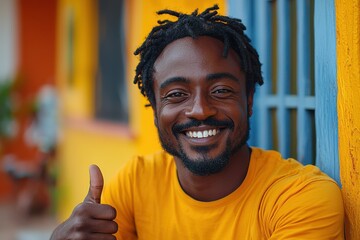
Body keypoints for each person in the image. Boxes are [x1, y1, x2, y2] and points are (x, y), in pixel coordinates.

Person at [51, 5, 344, 239]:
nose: (200, 110)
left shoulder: (301, 199)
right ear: (155, 109)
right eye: (177, 94)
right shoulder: (136, 185)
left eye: (220, 91)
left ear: (249, 101)